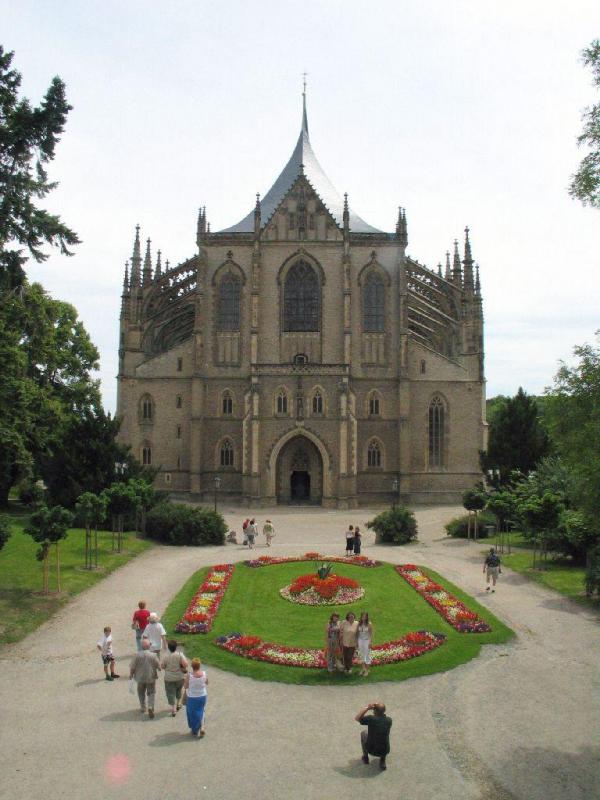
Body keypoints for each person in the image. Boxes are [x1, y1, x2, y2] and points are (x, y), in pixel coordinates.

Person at [355, 702, 392, 770]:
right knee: (383, 737)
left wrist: (367, 708)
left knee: (363, 733)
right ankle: (382, 761)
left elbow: (357, 718)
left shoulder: (371, 719)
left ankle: (365, 758)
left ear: (375, 711)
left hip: (371, 750)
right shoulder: (389, 720)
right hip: (385, 750)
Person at [129, 638, 161, 717]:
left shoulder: (137, 655)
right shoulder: (154, 655)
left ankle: (143, 707)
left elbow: (132, 667)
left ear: (141, 646)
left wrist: (131, 675)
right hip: (151, 677)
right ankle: (150, 706)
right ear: (149, 646)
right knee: (151, 692)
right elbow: (159, 667)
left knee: (141, 693)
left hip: (140, 678)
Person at [161, 640, 188, 716]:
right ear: (176, 647)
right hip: (180, 677)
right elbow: (186, 664)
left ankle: (173, 709)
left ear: (169, 648)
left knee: (170, 693)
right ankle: (178, 704)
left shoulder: (166, 656)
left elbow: (162, 666)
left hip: (169, 678)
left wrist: (167, 667)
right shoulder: (180, 654)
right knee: (179, 690)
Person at [184, 657, 208, 737]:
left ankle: (194, 730)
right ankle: (202, 727)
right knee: (202, 710)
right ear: (199, 666)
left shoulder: (189, 675)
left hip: (192, 697)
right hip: (202, 696)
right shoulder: (204, 673)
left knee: (192, 713)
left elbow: (185, 686)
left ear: (192, 666)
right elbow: (207, 682)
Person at [357, 612, 373, 676]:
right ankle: (363, 669)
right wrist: (357, 641)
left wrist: (370, 642)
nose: (364, 618)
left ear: (367, 617)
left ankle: (367, 670)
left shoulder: (369, 624)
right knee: (361, 655)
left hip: (367, 640)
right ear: (361, 617)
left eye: (365, 616)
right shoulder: (359, 623)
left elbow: (371, 634)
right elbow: (357, 633)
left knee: (367, 655)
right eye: (362, 616)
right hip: (360, 640)